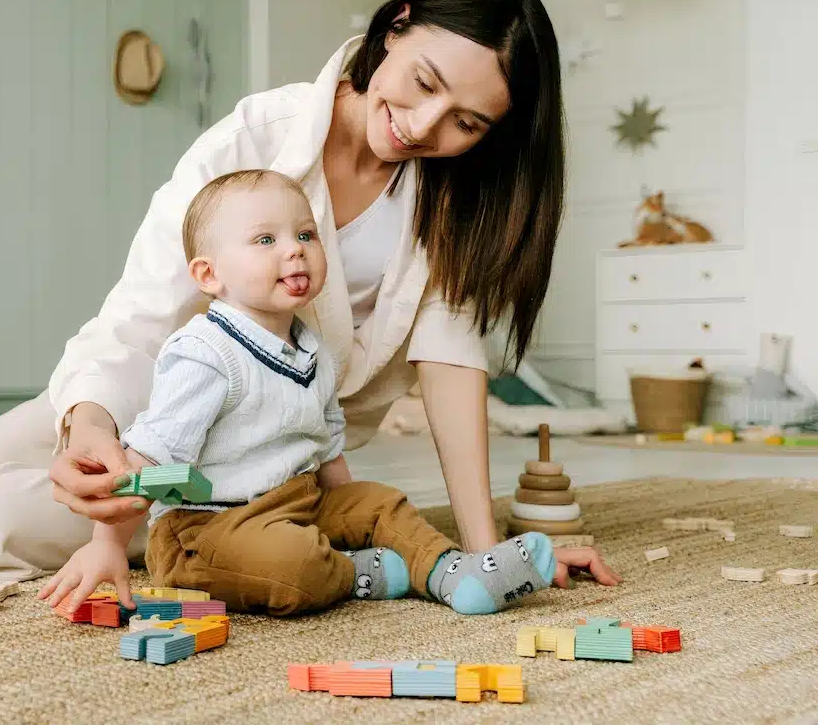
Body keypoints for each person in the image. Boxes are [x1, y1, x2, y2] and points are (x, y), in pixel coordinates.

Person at [0, 0, 620, 590]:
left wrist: (484, 552)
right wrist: (89, 429)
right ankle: (27, 482)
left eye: (465, 122)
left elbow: (450, 364)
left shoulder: (457, 204)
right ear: (398, 25)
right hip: (155, 398)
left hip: (264, 462)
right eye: (423, 82)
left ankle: (208, 526)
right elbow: (140, 317)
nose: (424, 125)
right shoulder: (255, 138)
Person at [38, 168, 563, 617]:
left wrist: (352, 516)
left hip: (297, 501)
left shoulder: (312, 347)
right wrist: (106, 544)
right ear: (210, 274)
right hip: (207, 530)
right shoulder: (205, 353)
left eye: (306, 235)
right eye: (266, 240)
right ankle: (355, 573)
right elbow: (151, 460)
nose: (295, 249)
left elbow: (326, 445)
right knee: (294, 564)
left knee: (382, 504)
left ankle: (456, 573)